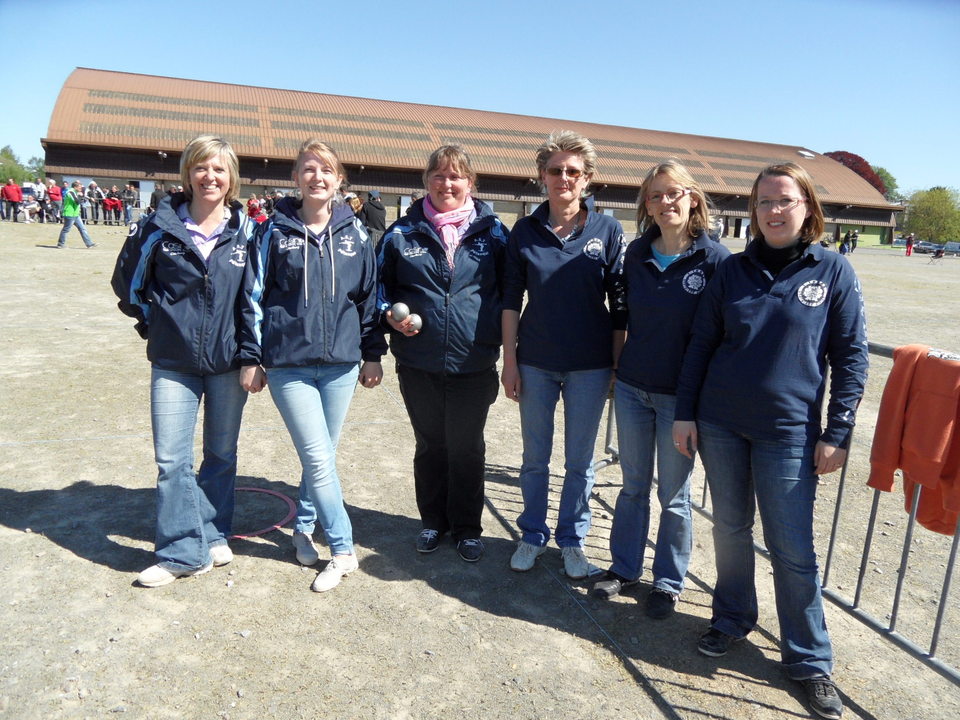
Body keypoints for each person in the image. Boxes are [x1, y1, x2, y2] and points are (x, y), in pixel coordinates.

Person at [672, 163, 868, 720]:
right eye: (763, 202)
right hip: (720, 425)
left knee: (792, 547)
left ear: (807, 206)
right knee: (731, 531)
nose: (774, 211)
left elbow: (851, 358)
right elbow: (701, 346)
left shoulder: (832, 271)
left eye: (784, 200)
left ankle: (808, 658)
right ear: (752, 210)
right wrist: (686, 415)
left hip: (789, 433)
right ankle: (731, 618)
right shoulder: (732, 271)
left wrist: (838, 432)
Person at [239, 138, 384, 593]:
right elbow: (252, 297)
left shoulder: (356, 233)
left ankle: (303, 527)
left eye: (326, 170)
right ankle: (343, 549)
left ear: (339, 180)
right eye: (308, 169)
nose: (317, 177)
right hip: (289, 364)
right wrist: (252, 356)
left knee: (318, 456)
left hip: (341, 364)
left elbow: (368, 298)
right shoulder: (271, 232)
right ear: (295, 178)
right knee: (319, 459)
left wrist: (373, 353)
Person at [111, 136, 257, 587]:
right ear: (187, 174)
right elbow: (128, 286)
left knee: (220, 454)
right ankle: (181, 552)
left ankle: (213, 533)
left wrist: (252, 355)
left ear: (230, 177)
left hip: (229, 362)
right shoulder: (157, 227)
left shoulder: (249, 230)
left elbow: (256, 298)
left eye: (219, 169)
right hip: (173, 363)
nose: (209, 176)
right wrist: (159, 326)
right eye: (200, 167)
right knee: (171, 459)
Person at [591, 160, 730, 617]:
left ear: (693, 198)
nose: (665, 202)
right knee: (632, 486)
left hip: (681, 399)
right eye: (655, 195)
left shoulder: (716, 260)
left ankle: (668, 582)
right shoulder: (636, 253)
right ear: (646, 205)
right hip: (633, 389)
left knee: (674, 495)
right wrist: (615, 368)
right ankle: (624, 567)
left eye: (674, 193)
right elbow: (622, 317)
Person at [501, 130, 626, 579]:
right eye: (555, 170)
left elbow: (621, 305)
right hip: (535, 361)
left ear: (588, 179)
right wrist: (509, 362)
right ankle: (532, 534)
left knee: (579, 462)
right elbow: (510, 300)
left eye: (573, 171)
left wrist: (615, 364)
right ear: (542, 176)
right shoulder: (525, 230)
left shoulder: (608, 230)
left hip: (590, 366)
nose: (564, 178)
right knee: (535, 458)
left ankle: (572, 541)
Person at [378, 145, 508, 562]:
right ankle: (433, 521)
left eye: (456, 176)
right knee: (431, 444)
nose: (447, 183)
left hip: (474, 359)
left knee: (467, 446)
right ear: (426, 181)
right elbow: (378, 291)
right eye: (438, 175)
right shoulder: (401, 233)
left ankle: (468, 528)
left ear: (470, 182)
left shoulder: (495, 233)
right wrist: (389, 316)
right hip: (419, 360)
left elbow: (510, 292)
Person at [57, 181, 96, 248]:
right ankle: (61, 244)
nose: (81, 188)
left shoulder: (75, 192)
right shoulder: (70, 192)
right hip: (69, 214)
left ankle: (89, 244)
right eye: (79, 187)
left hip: (76, 214)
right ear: (75, 187)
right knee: (66, 230)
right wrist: (79, 196)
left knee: (82, 229)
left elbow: (80, 200)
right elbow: (77, 201)